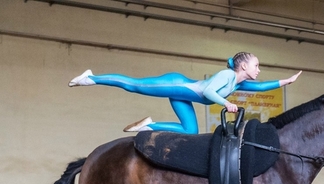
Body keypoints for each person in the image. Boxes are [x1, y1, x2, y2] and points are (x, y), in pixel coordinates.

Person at [68, 52, 302, 134]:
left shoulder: (238, 84)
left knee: (190, 131)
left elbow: (261, 87)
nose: (258, 70)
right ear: (243, 66)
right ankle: (92, 77)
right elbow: (209, 91)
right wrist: (226, 104)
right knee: (134, 85)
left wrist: (287, 81)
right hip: (177, 84)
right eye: (256, 66)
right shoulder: (227, 75)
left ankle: (149, 126)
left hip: (183, 97)